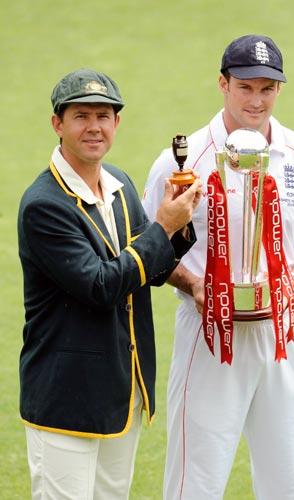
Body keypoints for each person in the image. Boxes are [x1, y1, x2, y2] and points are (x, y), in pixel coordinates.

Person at [142, 34, 294, 499]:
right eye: (246, 87)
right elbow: (150, 243)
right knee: (194, 479)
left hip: (284, 334)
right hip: (209, 331)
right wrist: (195, 284)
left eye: (267, 88)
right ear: (223, 83)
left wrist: (288, 281)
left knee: (287, 479)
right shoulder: (183, 159)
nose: (257, 100)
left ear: (279, 90)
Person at [17, 68, 202, 500]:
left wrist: (177, 225)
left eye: (104, 115)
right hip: (66, 400)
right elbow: (100, 285)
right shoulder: (43, 206)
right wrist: (162, 225)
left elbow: (150, 270)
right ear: (57, 124)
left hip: (123, 393)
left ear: (117, 123)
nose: (94, 127)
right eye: (81, 116)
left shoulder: (119, 185)